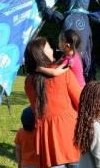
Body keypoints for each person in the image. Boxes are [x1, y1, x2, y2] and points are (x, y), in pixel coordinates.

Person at [24, 37, 81, 168]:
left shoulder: (29, 82)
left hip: (47, 138)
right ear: (41, 53)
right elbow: (80, 102)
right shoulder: (63, 72)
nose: (52, 50)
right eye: (49, 47)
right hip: (69, 133)